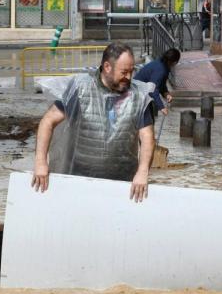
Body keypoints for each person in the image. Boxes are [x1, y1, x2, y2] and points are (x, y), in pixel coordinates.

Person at [32, 43, 155, 201]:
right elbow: (47, 122)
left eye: (132, 71)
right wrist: (41, 162)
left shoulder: (139, 95)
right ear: (107, 67)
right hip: (80, 180)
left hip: (123, 184)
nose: (129, 77)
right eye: (124, 72)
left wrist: (143, 172)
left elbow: (147, 137)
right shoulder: (81, 89)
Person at [133, 48, 180, 117]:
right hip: (137, 94)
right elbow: (153, 89)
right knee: (146, 120)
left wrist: (166, 94)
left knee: (149, 118)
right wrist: (161, 107)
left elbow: (161, 83)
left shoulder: (163, 65)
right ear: (174, 62)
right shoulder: (160, 69)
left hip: (143, 93)